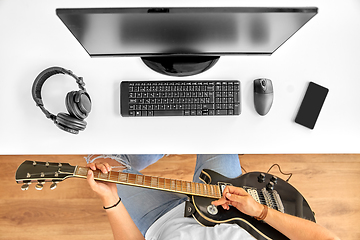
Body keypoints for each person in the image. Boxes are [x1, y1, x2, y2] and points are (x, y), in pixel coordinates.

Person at [85, 154, 339, 240]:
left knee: (99, 161)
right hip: (234, 204)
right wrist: (260, 211)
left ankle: (161, 140)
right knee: (216, 121)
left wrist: (112, 201)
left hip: (160, 221)